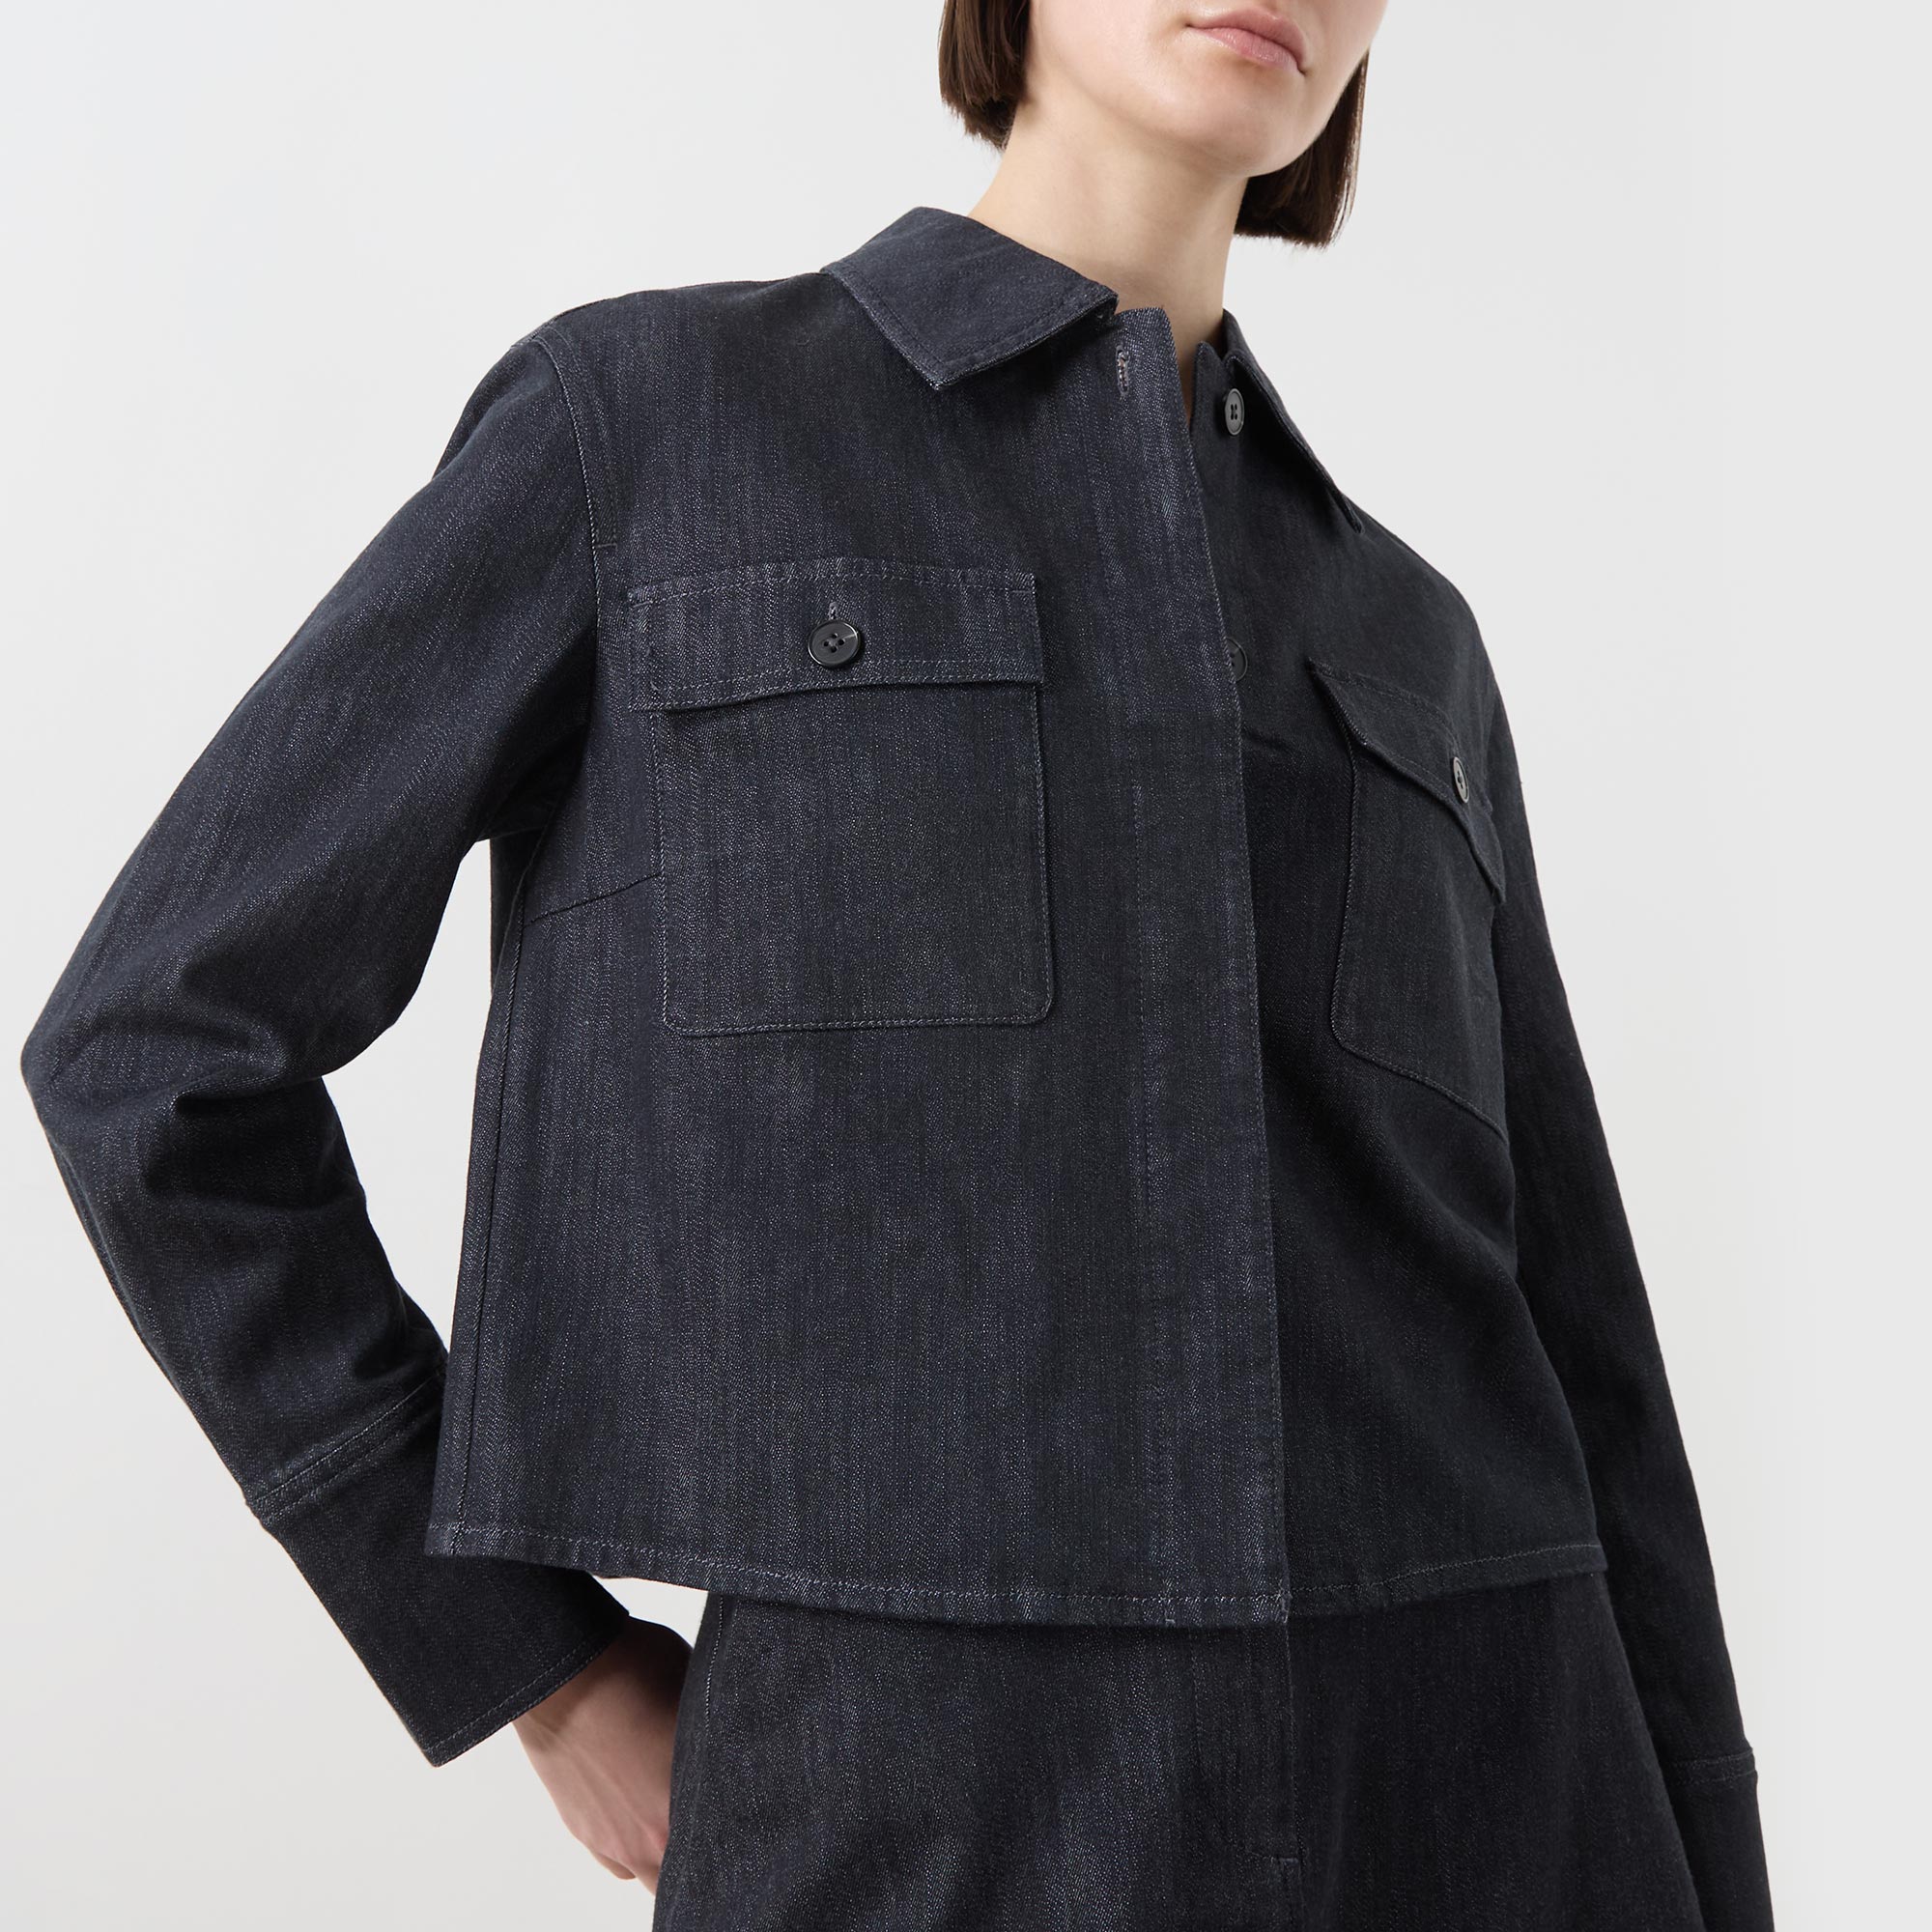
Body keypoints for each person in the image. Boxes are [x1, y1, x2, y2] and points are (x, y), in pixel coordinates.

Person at [19, 3, 1776, 1926]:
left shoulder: (1403, 629)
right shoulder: (656, 427)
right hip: (920, 1793)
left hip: (1503, 1770)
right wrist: (526, 1658)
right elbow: (153, 1053)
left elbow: (1580, 1328)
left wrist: (1713, 1861)